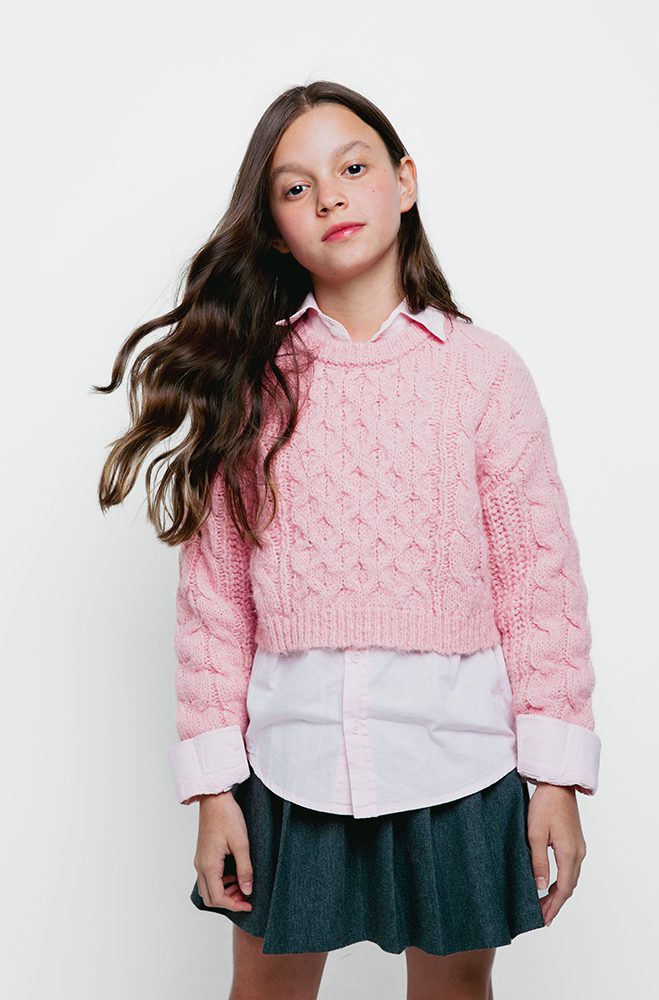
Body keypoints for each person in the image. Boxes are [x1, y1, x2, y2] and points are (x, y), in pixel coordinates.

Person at [96, 80, 601, 1000]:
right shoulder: (250, 384)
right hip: (288, 771)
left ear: (404, 182)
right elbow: (214, 603)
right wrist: (213, 790)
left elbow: (538, 585)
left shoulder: (484, 374)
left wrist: (556, 779)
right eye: (295, 188)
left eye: (353, 168)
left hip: (459, 760)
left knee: (453, 991)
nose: (328, 197)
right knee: (266, 991)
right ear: (275, 230)